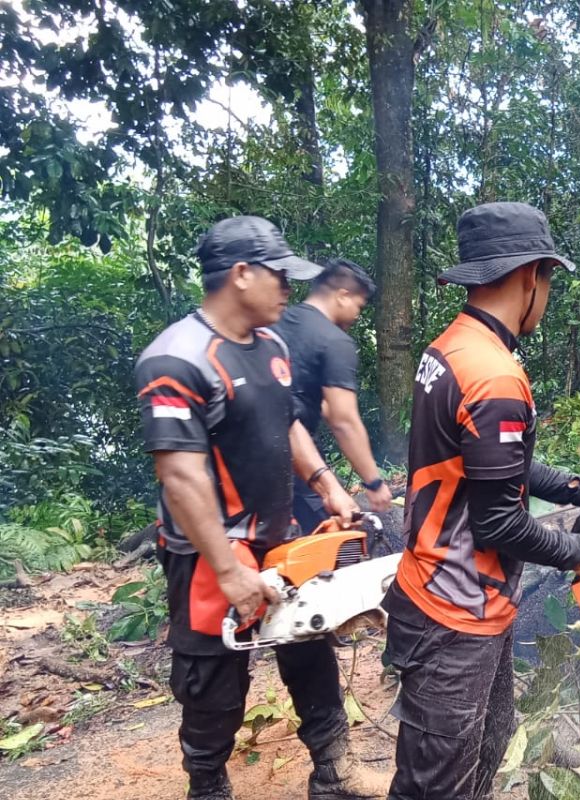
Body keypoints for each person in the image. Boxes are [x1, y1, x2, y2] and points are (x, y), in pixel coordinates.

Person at [135, 216, 391, 800]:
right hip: (208, 553)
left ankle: (334, 774)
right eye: (278, 276)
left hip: (281, 534)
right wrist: (228, 569)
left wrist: (327, 483)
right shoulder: (177, 359)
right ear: (241, 274)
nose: (287, 288)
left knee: (311, 648)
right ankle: (209, 786)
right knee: (212, 683)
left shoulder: (272, 344)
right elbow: (179, 473)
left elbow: (289, 425)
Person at [381, 202, 580, 800]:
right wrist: (579, 555)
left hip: (455, 596)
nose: (546, 293)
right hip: (453, 611)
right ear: (529, 276)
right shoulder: (494, 376)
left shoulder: (453, 349)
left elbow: (491, 471)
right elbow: (497, 521)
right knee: (434, 784)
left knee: (491, 740)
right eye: (547, 280)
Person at [274, 258, 393, 534]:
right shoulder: (334, 341)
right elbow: (343, 420)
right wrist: (373, 482)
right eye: (358, 307)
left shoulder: (280, 321)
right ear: (343, 296)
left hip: (263, 457)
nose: (357, 315)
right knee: (334, 540)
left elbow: (322, 405)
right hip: (297, 462)